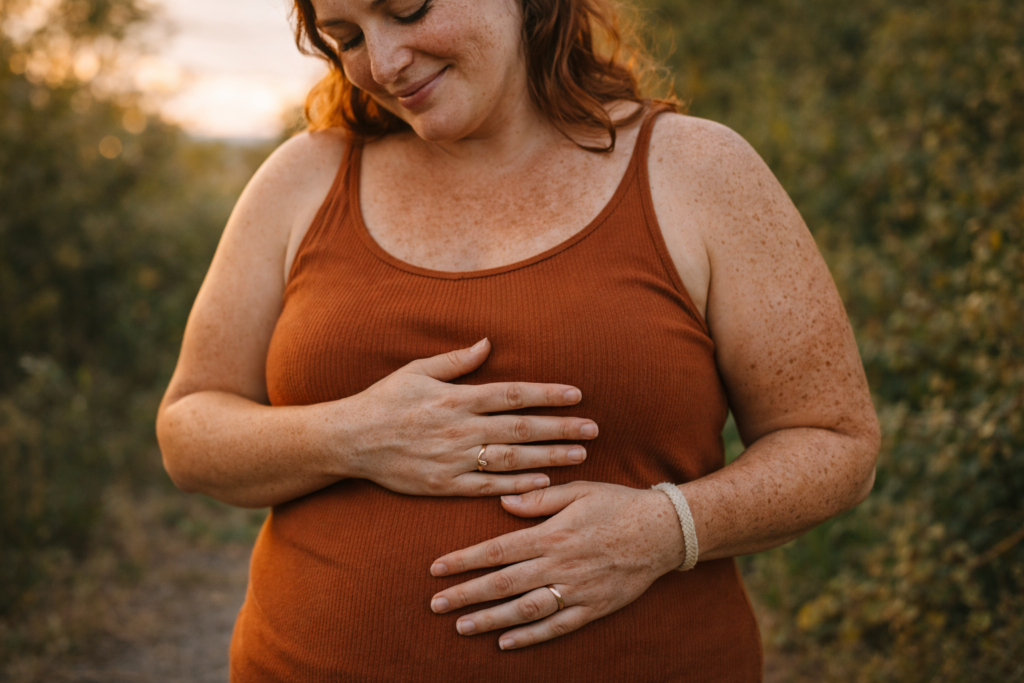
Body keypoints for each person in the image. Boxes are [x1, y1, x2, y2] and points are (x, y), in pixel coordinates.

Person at [155, 0, 881, 680]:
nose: (382, 62)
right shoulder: (304, 177)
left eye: (407, 10)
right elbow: (188, 431)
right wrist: (352, 436)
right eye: (346, 38)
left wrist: (666, 529)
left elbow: (835, 442)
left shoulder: (698, 172)